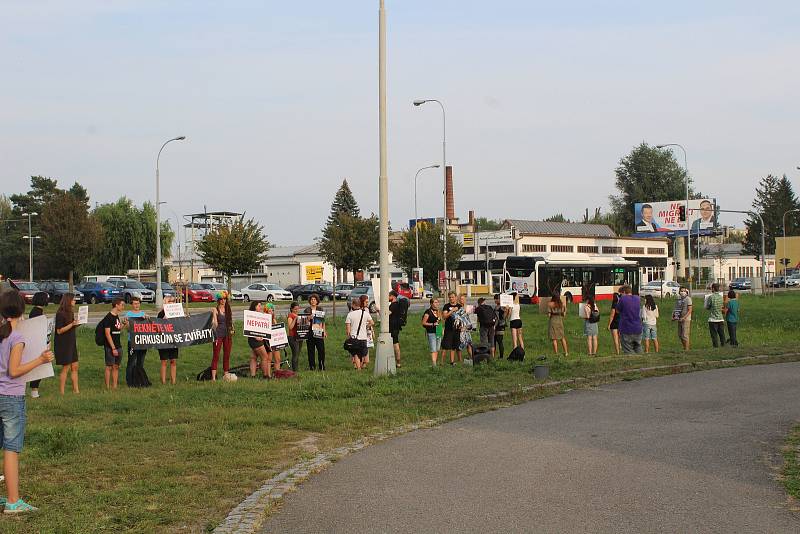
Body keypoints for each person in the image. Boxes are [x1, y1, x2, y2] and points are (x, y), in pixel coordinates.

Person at [0, 289, 54, 513]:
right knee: (11, 449)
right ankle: (13, 501)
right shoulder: (16, 337)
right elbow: (14, 371)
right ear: (21, 310)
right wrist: (40, 360)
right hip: (11, 397)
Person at [53, 293, 80, 394]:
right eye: (73, 300)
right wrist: (72, 324)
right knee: (66, 367)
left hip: (71, 341)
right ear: (68, 300)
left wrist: (77, 324)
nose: (75, 301)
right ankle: (62, 391)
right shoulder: (60, 313)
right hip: (64, 343)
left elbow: (71, 326)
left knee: (75, 366)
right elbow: (59, 331)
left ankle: (76, 390)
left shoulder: (71, 312)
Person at [26, 291, 49, 399]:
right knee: (37, 368)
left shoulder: (36, 311)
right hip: (37, 342)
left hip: (37, 341)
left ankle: (35, 390)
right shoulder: (37, 312)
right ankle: (34, 391)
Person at [125, 296, 150, 388]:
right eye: (135, 303)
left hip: (142, 341)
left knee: (141, 362)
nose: (137, 305)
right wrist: (127, 323)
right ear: (131, 304)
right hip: (132, 341)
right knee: (132, 362)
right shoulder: (128, 314)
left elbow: (149, 327)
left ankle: (139, 380)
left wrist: (147, 319)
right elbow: (128, 330)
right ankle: (130, 381)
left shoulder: (143, 314)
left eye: (138, 303)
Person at [100, 298, 125, 389]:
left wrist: (123, 324)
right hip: (110, 346)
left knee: (116, 366)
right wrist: (113, 348)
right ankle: (107, 386)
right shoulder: (108, 317)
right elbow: (107, 333)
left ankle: (115, 386)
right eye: (122, 305)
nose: (123, 307)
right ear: (116, 305)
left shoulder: (117, 316)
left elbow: (117, 329)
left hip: (118, 345)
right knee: (109, 366)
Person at [345, 295, 374, 370]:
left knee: (356, 354)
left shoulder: (350, 314)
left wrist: (348, 336)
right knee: (362, 353)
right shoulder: (365, 313)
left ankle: (358, 368)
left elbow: (348, 329)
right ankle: (361, 365)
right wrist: (366, 327)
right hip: (363, 337)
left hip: (354, 337)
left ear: (353, 305)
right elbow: (372, 322)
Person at [156, 296, 180, 385]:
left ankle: (173, 381)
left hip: (173, 340)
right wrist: (163, 320)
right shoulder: (161, 314)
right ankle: (163, 382)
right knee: (164, 361)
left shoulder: (177, 314)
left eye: (173, 301)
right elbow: (157, 328)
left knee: (173, 361)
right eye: (170, 301)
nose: (171, 303)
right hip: (163, 340)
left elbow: (181, 326)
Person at [210, 292, 234, 381]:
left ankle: (226, 374)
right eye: (221, 299)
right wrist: (214, 314)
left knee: (227, 354)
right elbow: (215, 325)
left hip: (227, 335)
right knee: (216, 355)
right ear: (218, 300)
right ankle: (213, 377)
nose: (223, 301)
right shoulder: (215, 309)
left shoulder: (228, 309)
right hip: (218, 334)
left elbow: (231, 321)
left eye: (224, 299)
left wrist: (232, 329)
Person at [246, 301, 272, 379]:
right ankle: (265, 375)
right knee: (265, 357)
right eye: (259, 306)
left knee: (253, 357)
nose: (260, 307)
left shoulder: (259, 315)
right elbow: (248, 327)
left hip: (257, 339)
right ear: (255, 306)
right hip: (255, 340)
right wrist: (255, 336)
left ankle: (253, 376)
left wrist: (269, 316)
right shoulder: (250, 315)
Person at [616, 285, 643, 354]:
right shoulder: (637, 298)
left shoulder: (623, 299)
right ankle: (641, 361)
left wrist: (619, 300)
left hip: (626, 328)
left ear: (624, 292)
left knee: (628, 349)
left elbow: (617, 311)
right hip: (638, 328)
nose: (620, 295)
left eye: (620, 294)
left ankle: (632, 363)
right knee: (638, 347)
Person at [305, 294, 327, 370]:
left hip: (318, 331)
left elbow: (323, 321)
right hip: (310, 332)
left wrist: (324, 331)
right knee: (310, 350)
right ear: (310, 301)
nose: (313, 301)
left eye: (314, 299)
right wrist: (308, 318)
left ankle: (321, 365)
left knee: (321, 349)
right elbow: (304, 321)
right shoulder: (307, 310)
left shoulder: (320, 309)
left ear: (317, 301)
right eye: (312, 299)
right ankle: (312, 366)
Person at [440, 292, 461, 365]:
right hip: (448, 329)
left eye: (452, 297)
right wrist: (452, 311)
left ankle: (452, 361)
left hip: (457, 329)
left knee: (454, 346)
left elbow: (462, 317)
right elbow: (444, 316)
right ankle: (441, 362)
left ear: (456, 297)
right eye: (450, 297)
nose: (451, 298)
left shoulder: (459, 306)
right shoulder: (446, 306)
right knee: (445, 346)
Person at [705, 283, 726, 347]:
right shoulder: (721, 297)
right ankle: (723, 345)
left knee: (714, 334)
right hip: (720, 318)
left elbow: (708, 307)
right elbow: (722, 306)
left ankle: (716, 346)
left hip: (713, 319)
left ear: (713, 289)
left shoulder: (711, 297)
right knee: (722, 334)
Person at [421, 298, 441, 366]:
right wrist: (432, 324)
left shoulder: (438, 311)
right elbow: (423, 323)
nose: (437, 304)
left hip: (438, 331)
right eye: (435, 302)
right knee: (433, 348)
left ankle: (435, 361)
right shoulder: (428, 312)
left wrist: (442, 329)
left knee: (437, 348)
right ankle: (434, 364)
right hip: (431, 332)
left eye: (437, 302)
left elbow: (440, 321)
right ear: (431, 304)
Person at [264, 302, 281, 373]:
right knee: (269, 359)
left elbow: (277, 330)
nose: (271, 312)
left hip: (275, 340)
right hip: (267, 341)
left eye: (272, 310)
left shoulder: (274, 320)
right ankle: (268, 374)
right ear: (266, 312)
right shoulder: (264, 320)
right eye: (269, 311)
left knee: (278, 359)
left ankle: (277, 373)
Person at [388, 291, 403, 368]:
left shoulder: (393, 305)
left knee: (395, 343)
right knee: (395, 342)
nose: (387, 298)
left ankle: (398, 362)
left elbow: (387, 314)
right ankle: (398, 362)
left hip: (392, 327)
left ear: (392, 296)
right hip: (396, 326)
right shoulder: (398, 304)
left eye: (388, 296)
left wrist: (378, 310)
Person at [286, 301, 302, 372]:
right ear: (292, 309)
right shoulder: (290, 315)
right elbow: (290, 327)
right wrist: (295, 319)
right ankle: (294, 370)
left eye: (298, 309)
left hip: (300, 336)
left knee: (298, 353)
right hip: (292, 337)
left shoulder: (299, 315)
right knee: (295, 353)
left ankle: (296, 368)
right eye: (295, 309)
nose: (297, 310)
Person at [457, 294, 473, 360]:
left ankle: (471, 357)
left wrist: (471, 327)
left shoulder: (469, 307)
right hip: (460, 329)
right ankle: (460, 360)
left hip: (467, 328)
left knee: (469, 344)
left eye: (463, 299)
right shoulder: (457, 308)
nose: (462, 300)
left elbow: (472, 318)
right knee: (460, 344)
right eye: (461, 299)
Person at [607, 290, 622, 355]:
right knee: (620, 337)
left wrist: (609, 325)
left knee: (615, 338)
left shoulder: (614, 305)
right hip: (621, 322)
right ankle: (621, 347)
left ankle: (617, 352)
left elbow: (612, 316)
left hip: (614, 323)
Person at [493, 294, 508, 358]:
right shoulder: (496, 307)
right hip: (495, 326)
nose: (495, 300)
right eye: (495, 299)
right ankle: (493, 356)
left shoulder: (503, 307)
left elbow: (504, 317)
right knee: (493, 341)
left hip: (500, 326)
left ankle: (501, 357)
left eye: (497, 299)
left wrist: (506, 311)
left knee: (499, 341)